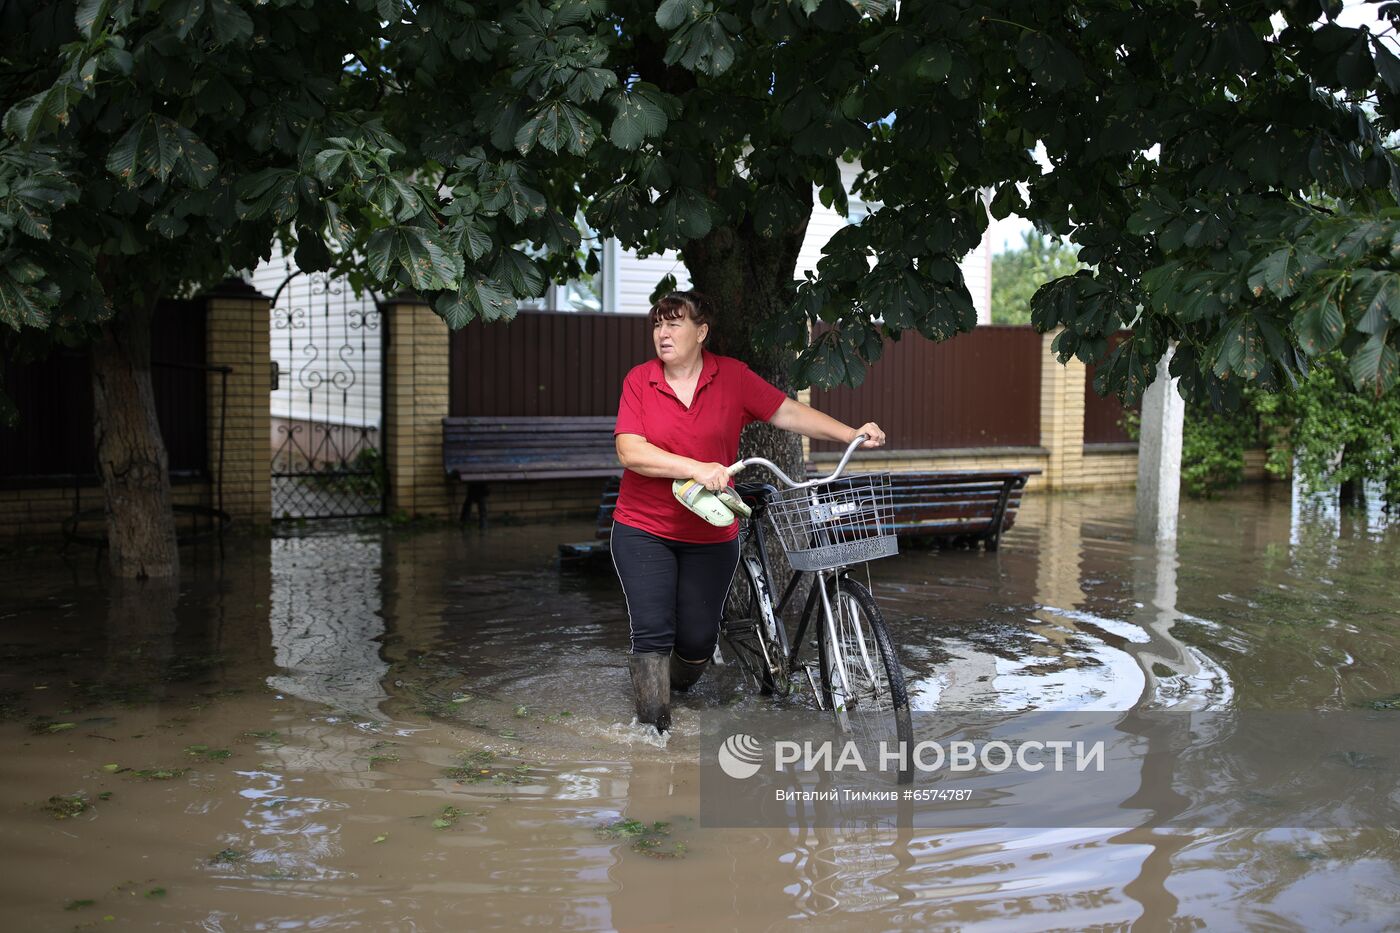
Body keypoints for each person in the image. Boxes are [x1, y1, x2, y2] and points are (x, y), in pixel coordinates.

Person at [611, 290, 886, 733]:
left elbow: (786, 412)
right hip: (646, 529)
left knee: (698, 642)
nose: (663, 333)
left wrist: (850, 432)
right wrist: (696, 468)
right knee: (652, 632)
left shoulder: (732, 377)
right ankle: (653, 736)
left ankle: (671, 692)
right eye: (658, 324)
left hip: (710, 534)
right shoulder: (640, 381)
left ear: (701, 332)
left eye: (674, 323)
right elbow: (630, 450)